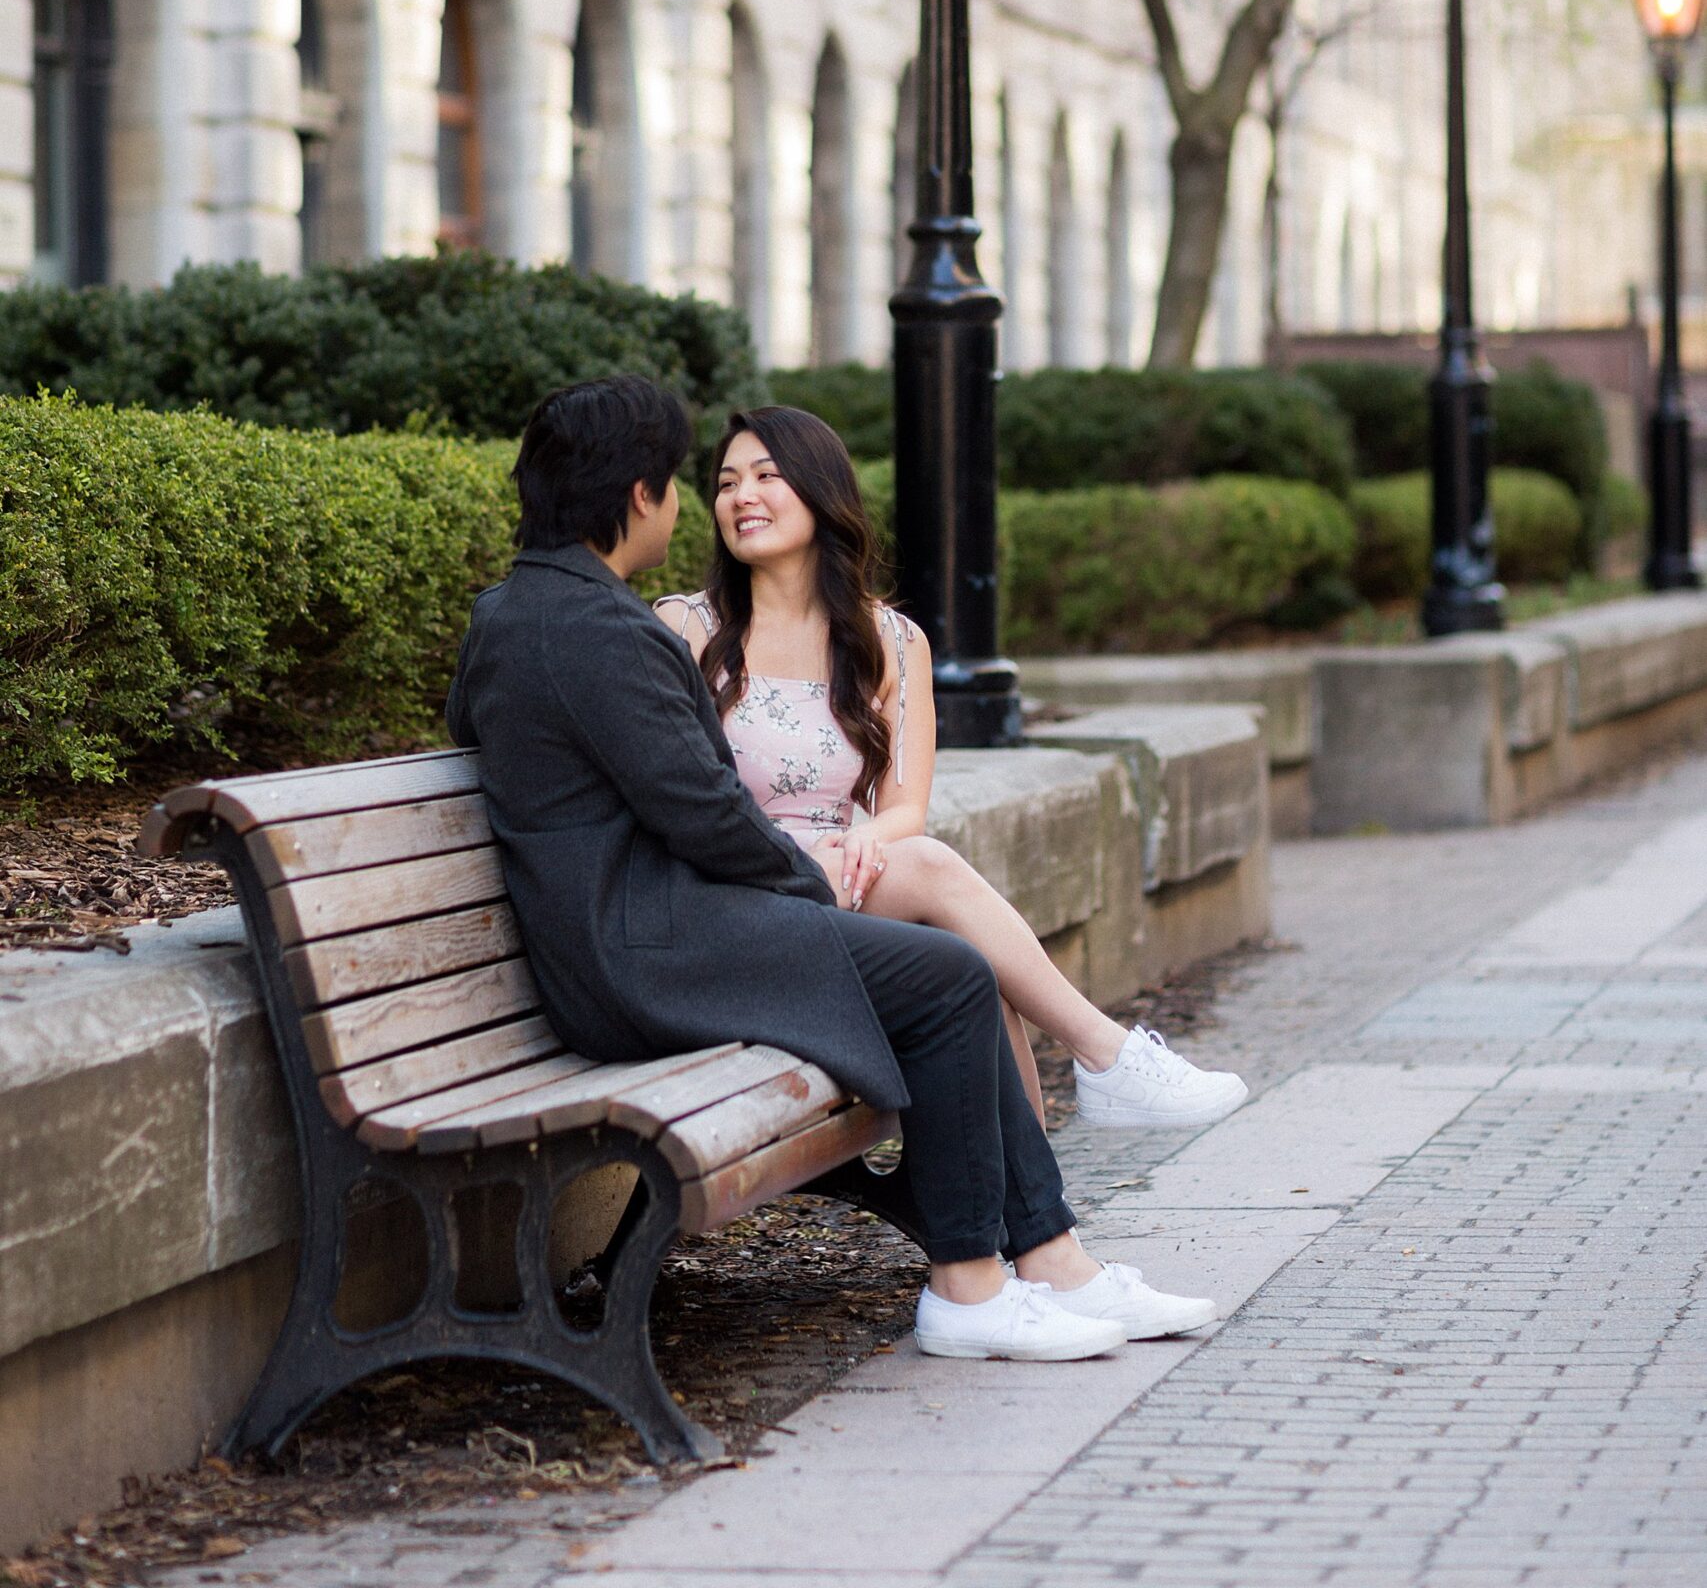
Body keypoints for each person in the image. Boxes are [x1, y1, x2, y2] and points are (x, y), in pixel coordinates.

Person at [448, 374, 1218, 1362]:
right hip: (642, 959)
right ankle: (973, 1290)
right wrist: (816, 878)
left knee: (947, 968)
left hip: (637, 935)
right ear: (642, 495)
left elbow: (495, 732)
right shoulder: (602, 630)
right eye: (691, 480)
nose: (698, 501)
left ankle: (1051, 1264)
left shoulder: (514, 613)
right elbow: (705, 814)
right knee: (947, 977)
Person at [656, 404, 1249, 1134]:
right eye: (725, 483)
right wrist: (825, 849)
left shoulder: (890, 639)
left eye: (767, 476)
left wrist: (872, 839)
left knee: (972, 967)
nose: (742, 496)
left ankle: (1033, 1229)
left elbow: (904, 805)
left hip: (835, 884)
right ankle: (1104, 1057)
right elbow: (676, 798)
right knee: (937, 885)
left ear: (820, 492)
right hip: (738, 895)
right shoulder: (687, 629)